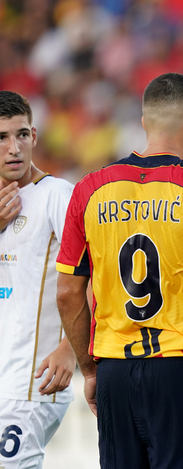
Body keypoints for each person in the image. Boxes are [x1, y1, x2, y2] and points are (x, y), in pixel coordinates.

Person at [55, 73, 183, 469]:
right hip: (180, 366)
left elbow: (67, 294)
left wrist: (88, 368)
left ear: (145, 122)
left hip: (113, 370)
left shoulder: (90, 188)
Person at [0, 90, 76, 469]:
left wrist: (70, 348)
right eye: (1, 138)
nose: (14, 148)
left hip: (33, 383)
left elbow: (98, 275)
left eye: (22, 135)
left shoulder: (57, 196)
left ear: (34, 136)